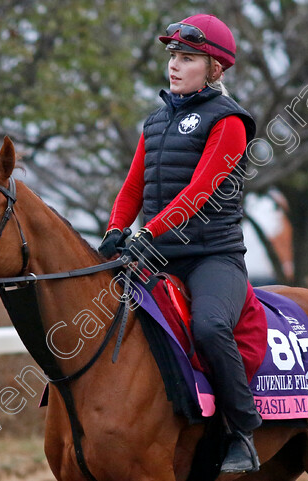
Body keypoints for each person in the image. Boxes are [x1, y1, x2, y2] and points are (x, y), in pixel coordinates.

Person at [98, 13, 261, 474]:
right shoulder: (155, 120)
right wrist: (115, 230)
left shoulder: (229, 122)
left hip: (213, 259)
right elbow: (132, 188)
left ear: (215, 69)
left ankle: (242, 433)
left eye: (187, 58)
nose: (174, 65)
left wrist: (145, 233)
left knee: (210, 327)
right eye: (173, 56)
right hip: (157, 257)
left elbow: (199, 193)